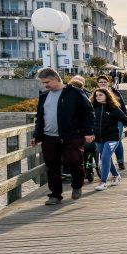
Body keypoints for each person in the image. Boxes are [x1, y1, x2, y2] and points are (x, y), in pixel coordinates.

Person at [32, 68, 95, 204]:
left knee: (73, 161)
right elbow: (40, 118)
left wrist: (88, 131)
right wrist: (36, 136)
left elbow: (88, 112)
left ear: (56, 78)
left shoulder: (75, 92)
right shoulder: (44, 96)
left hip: (71, 136)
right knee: (52, 166)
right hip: (49, 137)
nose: (45, 85)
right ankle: (55, 195)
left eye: (47, 82)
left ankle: (77, 185)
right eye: (43, 83)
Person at [91, 88, 127, 190]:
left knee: (104, 158)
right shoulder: (93, 108)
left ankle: (103, 182)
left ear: (107, 95)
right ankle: (116, 175)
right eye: (96, 96)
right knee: (107, 158)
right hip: (98, 138)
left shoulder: (114, 109)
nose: (98, 97)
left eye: (100, 95)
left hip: (112, 138)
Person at [96, 74, 127, 172]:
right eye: (101, 82)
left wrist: (125, 119)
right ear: (98, 83)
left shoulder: (114, 92)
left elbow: (122, 106)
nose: (103, 84)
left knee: (117, 140)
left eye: (104, 82)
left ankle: (120, 160)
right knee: (102, 142)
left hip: (116, 120)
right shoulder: (96, 94)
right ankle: (107, 162)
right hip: (102, 122)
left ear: (108, 83)